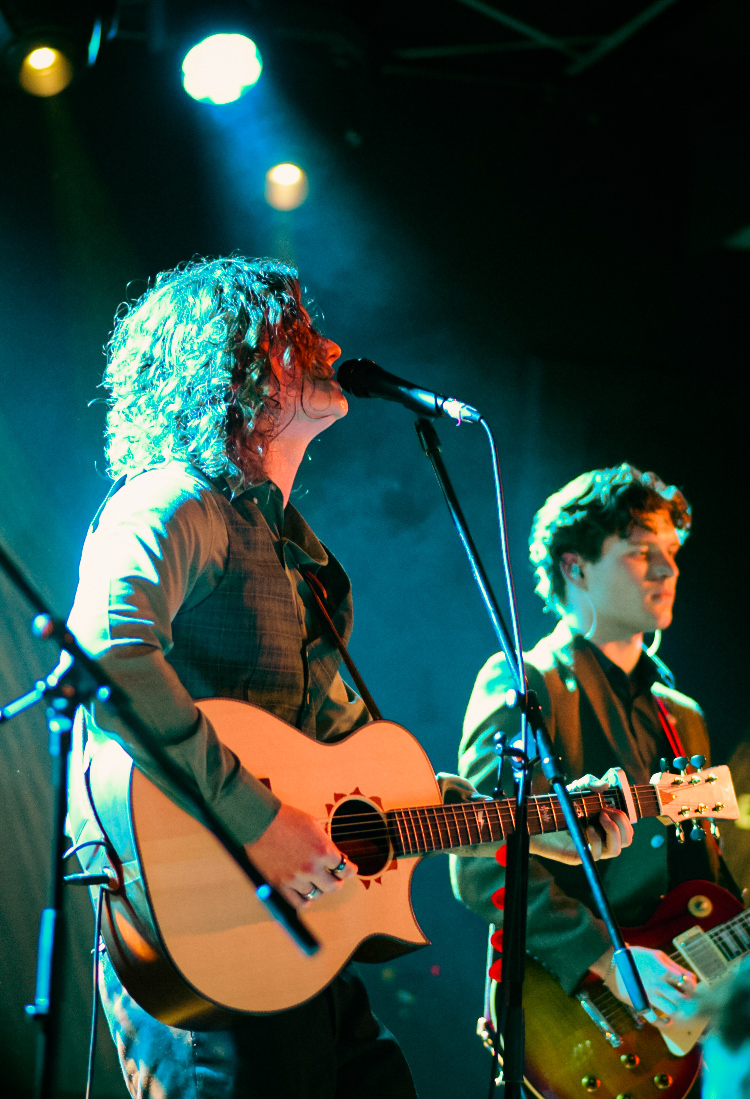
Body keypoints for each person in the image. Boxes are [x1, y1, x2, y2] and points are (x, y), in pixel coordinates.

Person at [65, 257, 632, 1099]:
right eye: (296, 330)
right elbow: (106, 657)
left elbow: (352, 796)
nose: (329, 342)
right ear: (227, 360)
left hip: (301, 946)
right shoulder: (174, 500)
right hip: (206, 949)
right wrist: (257, 821)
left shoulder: (297, 553)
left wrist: (537, 821)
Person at [451, 463, 740, 1032]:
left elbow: (703, 882)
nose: (668, 568)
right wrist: (605, 958)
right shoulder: (525, 680)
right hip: (573, 1016)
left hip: (679, 1022)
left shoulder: (683, 716)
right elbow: (478, 864)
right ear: (574, 566)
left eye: (672, 550)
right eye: (639, 551)